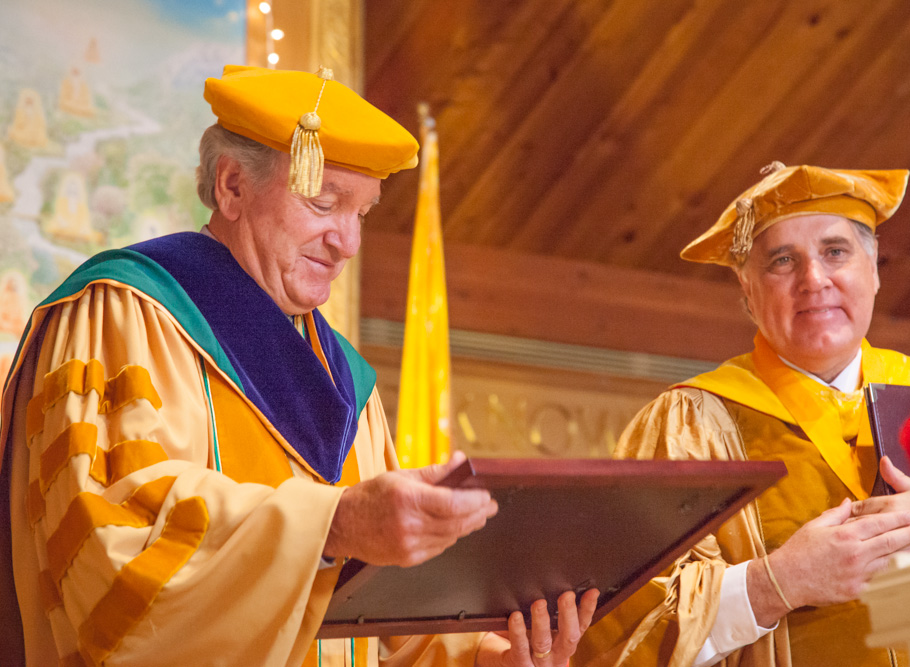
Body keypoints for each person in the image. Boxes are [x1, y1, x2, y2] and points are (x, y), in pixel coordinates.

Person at [0, 65, 598, 666]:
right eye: (323, 203)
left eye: (362, 214)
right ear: (233, 186)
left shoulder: (348, 387)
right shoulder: (123, 315)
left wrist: (493, 658)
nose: (348, 244)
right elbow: (111, 556)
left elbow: (378, 631)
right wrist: (331, 527)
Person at [571, 163, 910, 667]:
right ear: (747, 291)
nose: (813, 280)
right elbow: (615, 629)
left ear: (873, 271)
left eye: (835, 252)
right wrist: (776, 584)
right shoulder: (690, 424)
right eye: (783, 260)